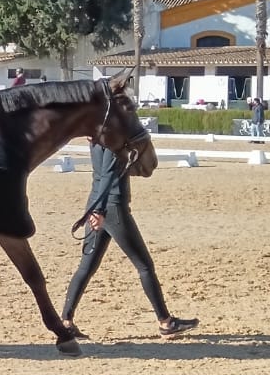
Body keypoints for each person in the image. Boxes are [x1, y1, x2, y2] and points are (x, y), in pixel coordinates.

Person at [60, 140, 197, 339]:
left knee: (86, 267)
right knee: (145, 266)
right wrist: (100, 210)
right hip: (112, 207)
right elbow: (108, 173)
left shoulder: (95, 138)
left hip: (95, 202)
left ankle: (66, 321)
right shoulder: (111, 138)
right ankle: (166, 323)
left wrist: (95, 207)